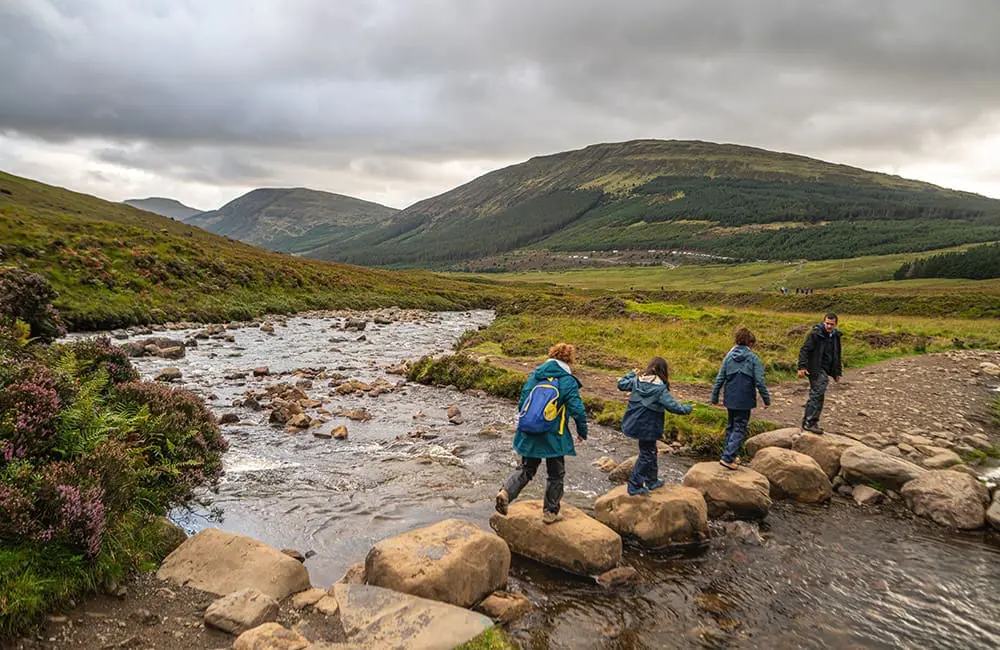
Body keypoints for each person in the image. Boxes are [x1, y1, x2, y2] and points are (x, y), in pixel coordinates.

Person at [495, 343, 588, 524]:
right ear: (569, 360)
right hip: (554, 435)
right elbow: (578, 410)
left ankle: (506, 491)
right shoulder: (567, 381)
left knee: (526, 469)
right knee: (555, 474)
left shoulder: (535, 376)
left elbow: (522, 403)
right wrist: (582, 432)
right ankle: (550, 512)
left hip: (529, 430)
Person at [616, 357, 692, 496]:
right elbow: (673, 407)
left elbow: (621, 384)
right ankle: (634, 485)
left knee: (651, 451)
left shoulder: (636, 381)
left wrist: (631, 373)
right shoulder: (659, 389)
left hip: (634, 423)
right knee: (647, 454)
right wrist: (688, 409)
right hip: (649, 426)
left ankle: (652, 481)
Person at [711, 327, 771, 470]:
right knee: (740, 427)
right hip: (745, 398)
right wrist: (766, 399)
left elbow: (720, 378)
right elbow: (760, 382)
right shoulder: (753, 359)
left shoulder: (728, 357)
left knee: (731, 426)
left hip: (730, 397)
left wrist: (714, 397)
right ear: (750, 343)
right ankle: (727, 457)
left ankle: (731, 455)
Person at [797, 313, 843, 434]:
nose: (828, 326)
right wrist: (802, 366)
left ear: (836, 324)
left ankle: (809, 421)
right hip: (814, 368)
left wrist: (837, 372)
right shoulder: (815, 334)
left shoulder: (835, 336)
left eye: (831, 324)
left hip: (826, 368)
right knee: (818, 391)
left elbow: (836, 354)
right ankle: (809, 421)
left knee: (819, 394)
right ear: (823, 322)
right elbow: (804, 350)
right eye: (827, 323)